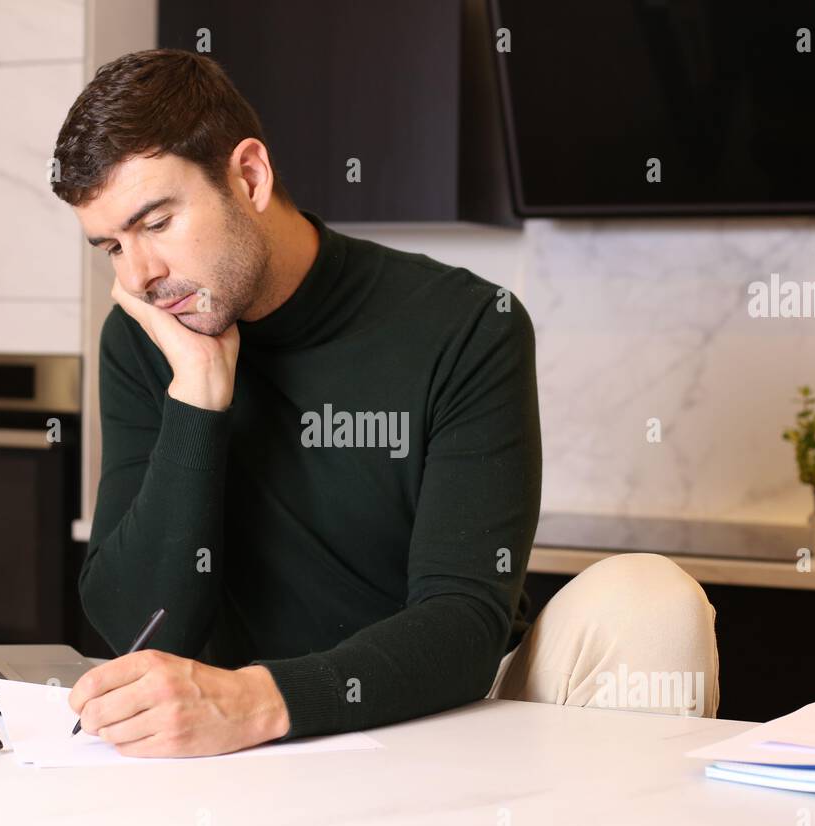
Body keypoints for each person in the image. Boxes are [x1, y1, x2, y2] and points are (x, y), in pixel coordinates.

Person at [50, 49, 718, 757]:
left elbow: (462, 620)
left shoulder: (464, 324)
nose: (141, 275)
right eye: (112, 247)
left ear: (248, 176)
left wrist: (261, 700)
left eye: (156, 223)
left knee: (652, 599)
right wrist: (197, 397)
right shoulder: (147, 338)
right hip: (241, 757)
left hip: (444, 719)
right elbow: (140, 629)